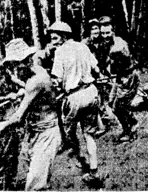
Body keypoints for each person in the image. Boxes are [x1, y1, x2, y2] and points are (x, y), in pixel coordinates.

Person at [0, 39, 62, 191]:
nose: (16, 68)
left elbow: (18, 117)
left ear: (28, 59)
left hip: (46, 134)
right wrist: (21, 88)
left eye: (17, 63)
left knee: (33, 186)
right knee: (38, 179)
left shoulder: (34, 82)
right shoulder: (38, 72)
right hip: (38, 132)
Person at [49, 21, 102, 183]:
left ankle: (80, 157)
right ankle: (94, 170)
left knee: (69, 131)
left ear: (64, 36)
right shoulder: (83, 46)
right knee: (89, 134)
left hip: (74, 96)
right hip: (91, 92)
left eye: (55, 37)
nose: (53, 41)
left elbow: (57, 80)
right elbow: (97, 69)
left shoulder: (60, 52)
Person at [99, 16, 139, 142]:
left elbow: (121, 67)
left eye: (107, 33)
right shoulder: (111, 44)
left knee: (118, 107)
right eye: (103, 33)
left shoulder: (118, 47)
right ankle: (133, 122)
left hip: (128, 78)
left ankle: (129, 131)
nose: (105, 36)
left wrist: (111, 78)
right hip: (120, 77)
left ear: (113, 32)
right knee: (111, 102)